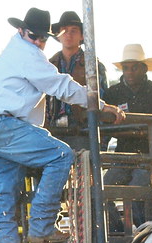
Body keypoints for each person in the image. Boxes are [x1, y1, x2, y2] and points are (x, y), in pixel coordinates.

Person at [0, 8, 124, 243]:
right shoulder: (28, 54)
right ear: (22, 31)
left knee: (3, 209)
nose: (38, 42)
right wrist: (100, 104)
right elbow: (61, 86)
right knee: (61, 155)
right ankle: (41, 225)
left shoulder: (10, 55)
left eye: (42, 38)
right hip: (3, 126)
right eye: (35, 36)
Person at [103, 43, 152, 228]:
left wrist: (149, 129)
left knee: (138, 192)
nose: (129, 72)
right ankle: (119, 232)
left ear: (144, 69)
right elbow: (104, 124)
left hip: (150, 157)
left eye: (134, 67)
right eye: (126, 68)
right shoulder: (113, 93)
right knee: (102, 190)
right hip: (124, 155)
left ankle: (143, 234)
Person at [44, 11, 108, 149]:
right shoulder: (48, 65)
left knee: (83, 161)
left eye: (73, 31)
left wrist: (101, 141)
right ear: (58, 35)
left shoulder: (94, 66)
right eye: (64, 30)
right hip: (52, 130)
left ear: (82, 36)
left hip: (83, 130)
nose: (68, 34)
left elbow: (103, 99)